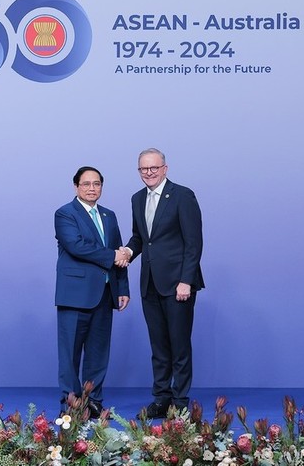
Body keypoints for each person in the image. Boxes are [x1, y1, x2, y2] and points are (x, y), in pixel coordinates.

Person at [121, 148, 204, 419]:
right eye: (143, 169)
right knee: (158, 346)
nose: (149, 172)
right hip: (150, 284)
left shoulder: (183, 195)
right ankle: (161, 398)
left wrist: (186, 281)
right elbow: (140, 238)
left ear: (165, 168)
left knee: (179, 345)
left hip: (178, 285)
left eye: (154, 168)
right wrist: (128, 253)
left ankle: (180, 402)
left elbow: (193, 243)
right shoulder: (136, 199)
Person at [54, 166, 131, 418]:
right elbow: (77, 246)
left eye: (96, 184)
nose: (91, 188)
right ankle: (72, 403)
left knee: (98, 353)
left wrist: (122, 288)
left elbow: (120, 256)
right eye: (86, 184)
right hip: (75, 295)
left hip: (105, 293)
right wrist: (113, 255)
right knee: (70, 354)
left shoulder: (109, 215)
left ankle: (94, 400)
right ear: (76, 186)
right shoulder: (65, 213)